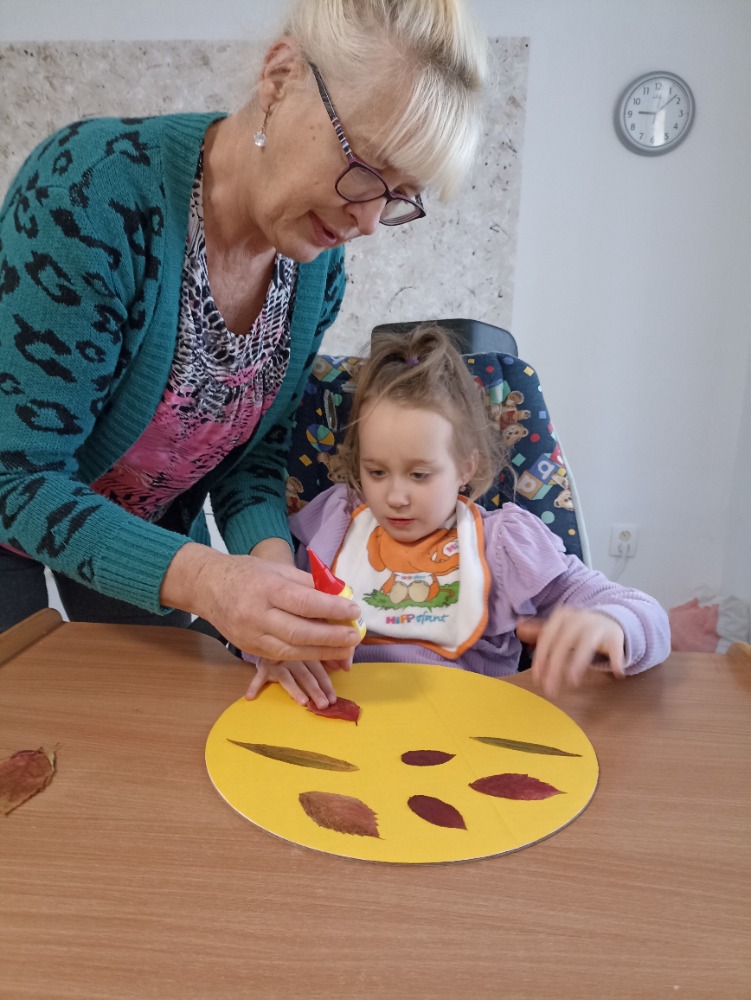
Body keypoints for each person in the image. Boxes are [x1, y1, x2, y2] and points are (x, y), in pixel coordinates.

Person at [0, 0, 489, 663]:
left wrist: (275, 579)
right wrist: (212, 580)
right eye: (367, 169)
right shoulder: (89, 191)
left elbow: (251, 457)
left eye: (399, 195)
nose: (370, 221)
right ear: (280, 77)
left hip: (134, 536)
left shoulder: (316, 267)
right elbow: (16, 473)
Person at [245, 324, 671, 705]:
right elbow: (262, 614)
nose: (395, 496)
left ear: (466, 467)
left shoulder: (503, 544)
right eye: (376, 472)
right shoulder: (334, 524)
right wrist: (271, 650)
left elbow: (642, 612)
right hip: (337, 715)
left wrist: (612, 626)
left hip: (463, 731)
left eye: (419, 474)